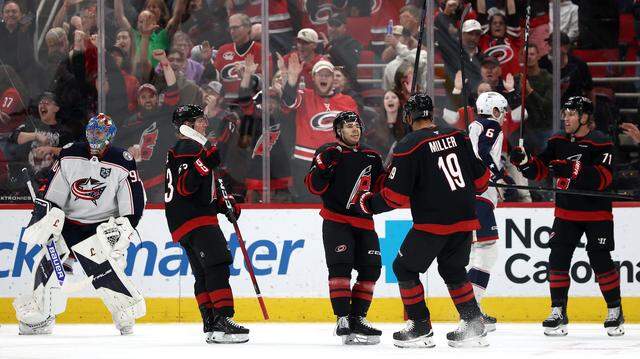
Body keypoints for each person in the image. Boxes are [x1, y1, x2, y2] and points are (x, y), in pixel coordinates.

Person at [356, 93, 491, 348]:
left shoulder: (409, 144)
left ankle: (420, 327)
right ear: (431, 113)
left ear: (409, 116)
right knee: (453, 271)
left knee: (404, 268)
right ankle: (474, 325)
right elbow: (482, 182)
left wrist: (368, 204)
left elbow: (395, 197)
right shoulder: (458, 135)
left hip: (433, 222)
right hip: (464, 220)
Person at [13, 113, 146, 335]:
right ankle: (42, 314)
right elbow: (54, 192)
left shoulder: (122, 159)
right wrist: (46, 214)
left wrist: (126, 225)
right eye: (92, 131)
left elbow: (133, 200)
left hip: (100, 227)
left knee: (106, 272)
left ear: (110, 135)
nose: (95, 136)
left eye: (101, 132)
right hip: (69, 225)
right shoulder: (70, 153)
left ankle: (125, 313)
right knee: (48, 266)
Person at [509, 96, 624, 337]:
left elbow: (604, 178)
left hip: (596, 213)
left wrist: (573, 170)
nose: (566, 118)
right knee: (557, 260)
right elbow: (540, 169)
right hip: (565, 213)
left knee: (601, 261)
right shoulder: (557, 140)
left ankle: (615, 310)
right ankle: (558, 311)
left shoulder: (601, 142)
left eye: (571, 113)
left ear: (584, 118)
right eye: (565, 113)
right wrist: (525, 162)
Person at [164, 104, 249, 344]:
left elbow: (200, 187)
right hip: (196, 219)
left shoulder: (190, 148)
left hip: (185, 220)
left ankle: (211, 323)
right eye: (200, 121)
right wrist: (204, 163)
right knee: (217, 264)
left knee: (203, 273)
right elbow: (185, 186)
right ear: (187, 125)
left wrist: (224, 203)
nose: (205, 124)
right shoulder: (187, 147)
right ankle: (222, 320)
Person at [305, 111, 385, 345]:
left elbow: (382, 188)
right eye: (349, 126)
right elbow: (313, 187)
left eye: (357, 126)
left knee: (372, 270)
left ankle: (358, 318)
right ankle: (342, 318)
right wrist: (322, 168)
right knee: (340, 268)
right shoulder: (329, 152)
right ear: (339, 131)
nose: (354, 129)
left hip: (365, 222)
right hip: (337, 221)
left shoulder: (372, 156)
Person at [281, 56, 358, 202]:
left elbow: (354, 134)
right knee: (308, 204)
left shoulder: (347, 101)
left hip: (336, 162)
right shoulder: (304, 96)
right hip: (306, 163)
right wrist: (292, 79)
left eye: (327, 75)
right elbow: (288, 103)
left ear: (333, 79)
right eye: (320, 74)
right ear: (313, 78)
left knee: (336, 203)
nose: (324, 77)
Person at [466, 91, 509, 332]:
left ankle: (473, 309)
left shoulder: (473, 126)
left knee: (479, 254)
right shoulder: (490, 125)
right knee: (487, 252)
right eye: (501, 112)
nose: (502, 117)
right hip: (479, 195)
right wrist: (499, 175)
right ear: (494, 111)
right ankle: (471, 312)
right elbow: (482, 153)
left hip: (471, 195)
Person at [214, 13, 262, 101]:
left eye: (235, 28)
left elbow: (265, 82)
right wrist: (206, 62)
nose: (232, 31)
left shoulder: (261, 50)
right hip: (227, 105)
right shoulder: (223, 50)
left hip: (251, 104)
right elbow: (215, 79)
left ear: (248, 28)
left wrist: (247, 78)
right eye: (230, 28)